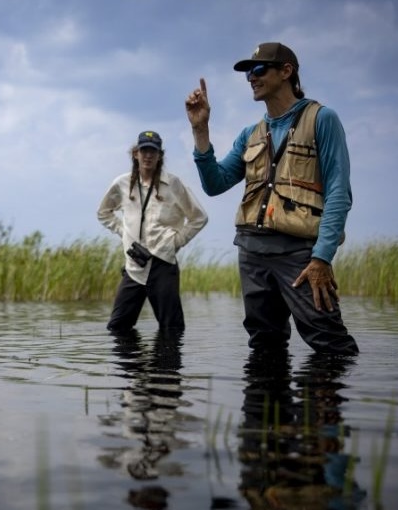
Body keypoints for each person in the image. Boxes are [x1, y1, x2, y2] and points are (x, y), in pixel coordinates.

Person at [185, 42, 359, 354]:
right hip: (251, 252)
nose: (251, 77)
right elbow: (215, 183)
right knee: (264, 343)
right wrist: (201, 131)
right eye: (248, 73)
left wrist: (322, 257)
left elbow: (338, 193)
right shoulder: (250, 133)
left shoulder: (322, 119)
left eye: (259, 69)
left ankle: (329, 403)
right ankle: (266, 405)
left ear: (287, 71)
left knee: (330, 341)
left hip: (299, 254)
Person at [97, 130, 208, 332]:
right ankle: (132, 365)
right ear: (136, 153)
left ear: (160, 156)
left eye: (153, 151)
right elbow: (103, 213)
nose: (148, 155)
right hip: (134, 265)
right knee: (117, 327)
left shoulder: (173, 184)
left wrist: (176, 242)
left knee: (171, 329)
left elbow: (199, 217)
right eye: (144, 150)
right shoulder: (122, 184)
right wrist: (124, 233)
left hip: (163, 263)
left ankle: (166, 364)